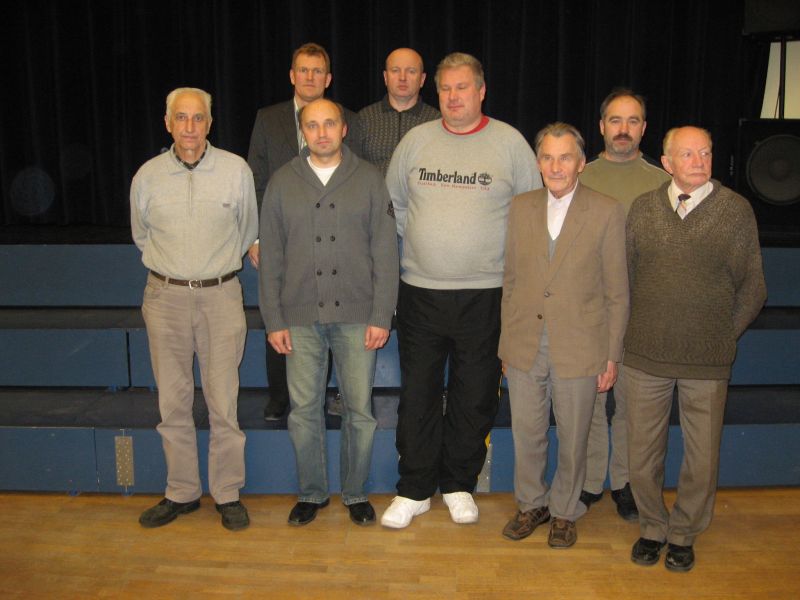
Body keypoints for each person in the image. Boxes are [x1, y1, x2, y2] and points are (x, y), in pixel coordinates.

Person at [381, 52, 541, 529]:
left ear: (481, 91)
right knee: (418, 394)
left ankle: (458, 485)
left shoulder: (510, 144)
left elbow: (530, 215)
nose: (453, 97)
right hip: (421, 291)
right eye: (446, 88)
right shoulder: (415, 141)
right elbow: (396, 205)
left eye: (462, 87)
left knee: (475, 395)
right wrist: (432, 244)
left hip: (485, 295)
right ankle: (413, 489)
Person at [625, 126, 766, 571]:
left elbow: (753, 288)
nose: (699, 161)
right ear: (667, 163)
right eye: (687, 154)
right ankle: (652, 527)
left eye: (705, 152)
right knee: (640, 455)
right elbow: (626, 278)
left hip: (707, 360)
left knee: (702, 458)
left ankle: (684, 533)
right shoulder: (643, 208)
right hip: (645, 355)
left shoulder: (735, 211)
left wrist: (722, 335)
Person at [259, 99, 398, 527]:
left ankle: (355, 493)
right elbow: (272, 256)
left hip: (357, 316)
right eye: (312, 125)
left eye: (329, 124)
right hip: (300, 318)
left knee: (359, 410)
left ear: (344, 129)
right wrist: (274, 319)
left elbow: (385, 253)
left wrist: (382, 314)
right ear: (302, 131)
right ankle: (312, 492)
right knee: (303, 411)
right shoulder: (282, 182)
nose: (322, 133)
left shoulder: (370, 180)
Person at [131, 87, 257, 531]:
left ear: (210, 123)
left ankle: (227, 493)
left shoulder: (236, 171)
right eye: (181, 117)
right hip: (164, 297)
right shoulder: (147, 176)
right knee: (173, 401)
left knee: (224, 401)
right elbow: (141, 235)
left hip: (220, 296)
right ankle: (181, 491)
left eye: (198, 117)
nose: (189, 126)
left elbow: (247, 230)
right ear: (167, 123)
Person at [499, 122, 629, 548]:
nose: (556, 167)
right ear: (538, 163)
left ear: (581, 163)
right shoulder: (520, 207)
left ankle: (564, 511)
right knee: (527, 433)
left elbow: (617, 292)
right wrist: (506, 344)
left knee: (574, 437)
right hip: (525, 343)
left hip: (580, 346)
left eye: (565, 157)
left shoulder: (606, 211)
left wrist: (611, 354)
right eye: (548, 158)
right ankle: (531, 504)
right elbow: (511, 280)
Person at [247, 42, 364, 420]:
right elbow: (256, 180)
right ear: (292, 75)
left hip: (334, 237)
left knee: (328, 313)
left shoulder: (348, 119)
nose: (310, 77)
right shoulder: (268, 119)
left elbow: (357, 177)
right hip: (284, 234)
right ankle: (280, 396)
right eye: (303, 70)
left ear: (328, 78)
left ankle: (327, 392)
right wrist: (259, 236)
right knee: (279, 310)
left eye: (317, 71)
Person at [577, 89, 671, 520]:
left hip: (641, 312)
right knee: (590, 401)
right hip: (588, 310)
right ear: (601, 126)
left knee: (633, 405)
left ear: (644, 129)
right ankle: (590, 480)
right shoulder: (580, 175)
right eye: (615, 120)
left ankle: (627, 482)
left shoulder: (661, 182)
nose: (623, 129)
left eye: (633, 121)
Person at [358, 47, 440, 175]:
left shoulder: (436, 120)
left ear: (422, 79)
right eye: (395, 70)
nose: (402, 77)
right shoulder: (364, 118)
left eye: (411, 71)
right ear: (385, 77)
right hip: (373, 188)